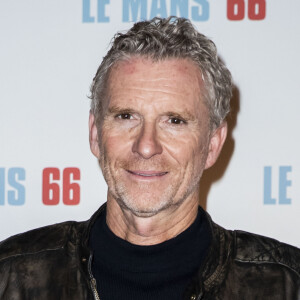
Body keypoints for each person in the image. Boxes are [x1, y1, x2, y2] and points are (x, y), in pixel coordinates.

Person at [0, 17, 299, 300]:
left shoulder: (286, 285)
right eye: (126, 116)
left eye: (175, 121)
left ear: (212, 144)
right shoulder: (9, 276)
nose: (146, 146)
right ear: (95, 133)